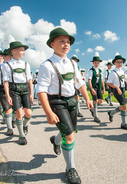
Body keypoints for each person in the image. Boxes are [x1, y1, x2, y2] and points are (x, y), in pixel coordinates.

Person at [36, 27, 93, 184]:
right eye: (61, 41)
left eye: (68, 42)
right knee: (69, 135)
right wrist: (48, 112)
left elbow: (79, 82)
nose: (66, 44)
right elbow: (41, 91)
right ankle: (70, 168)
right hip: (57, 101)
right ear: (52, 44)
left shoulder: (72, 63)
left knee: (70, 130)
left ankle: (55, 140)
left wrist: (87, 98)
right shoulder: (46, 65)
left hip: (72, 101)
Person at [3, 41, 33, 145]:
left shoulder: (26, 64)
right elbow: (6, 82)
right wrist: (7, 96)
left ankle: (24, 124)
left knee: (28, 114)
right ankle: (21, 135)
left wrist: (31, 93)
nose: (24, 52)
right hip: (14, 90)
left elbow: (29, 80)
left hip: (25, 89)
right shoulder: (6, 65)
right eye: (22, 50)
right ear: (14, 51)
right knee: (19, 113)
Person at [0, 49, 15, 135]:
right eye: (9, 56)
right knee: (7, 109)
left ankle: (13, 120)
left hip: (13, 88)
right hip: (2, 88)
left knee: (16, 109)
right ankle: (9, 128)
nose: (10, 58)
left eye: (11, 57)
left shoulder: (15, 66)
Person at [107, 52, 127, 130]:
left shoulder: (122, 72)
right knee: (125, 106)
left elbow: (125, 80)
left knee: (123, 106)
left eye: (121, 62)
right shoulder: (112, 72)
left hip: (123, 90)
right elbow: (108, 82)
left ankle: (111, 113)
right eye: (117, 62)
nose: (119, 63)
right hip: (116, 90)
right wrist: (117, 88)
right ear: (114, 63)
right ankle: (124, 124)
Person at [88, 52, 105, 123]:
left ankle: (92, 109)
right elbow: (89, 80)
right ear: (93, 63)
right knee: (95, 101)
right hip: (93, 87)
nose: (96, 64)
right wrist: (91, 89)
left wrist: (103, 88)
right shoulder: (91, 71)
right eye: (95, 62)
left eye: (98, 63)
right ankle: (96, 116)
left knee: (100, 101)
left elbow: (101, 80)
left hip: (98, 87)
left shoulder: (100, 71)